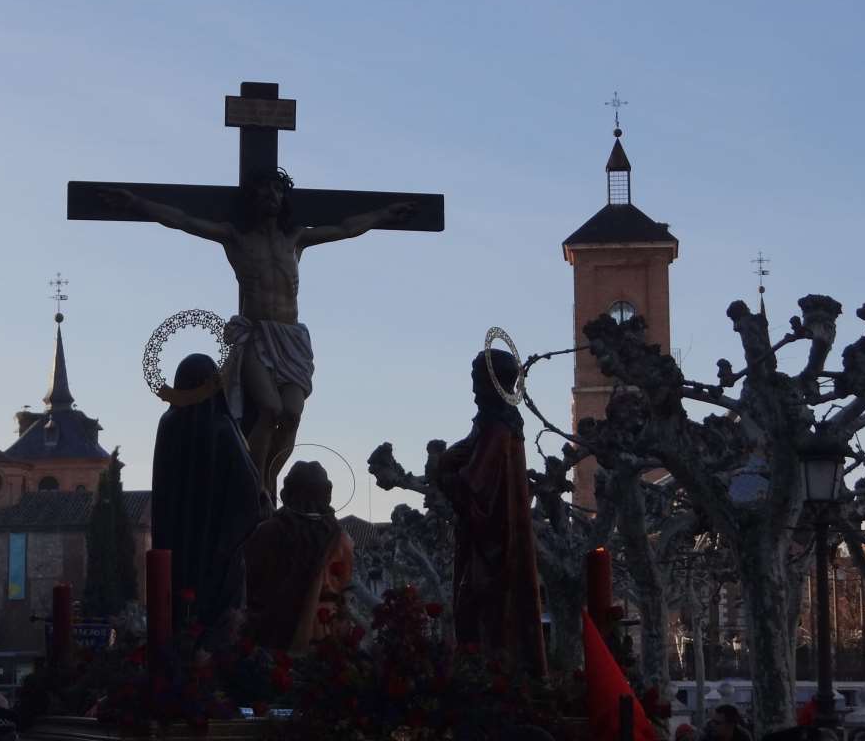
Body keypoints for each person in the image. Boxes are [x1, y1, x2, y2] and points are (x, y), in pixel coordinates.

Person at [101, 170, 415, 499]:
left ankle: (271, 477)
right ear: (252, 199)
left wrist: (382, 214)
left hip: (291, 338)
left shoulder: (294, 239)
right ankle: (256, 483)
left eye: (277, 191)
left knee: (292, 414)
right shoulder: (235, 238)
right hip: (256, 335)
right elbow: (182, 220)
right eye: (264, 191)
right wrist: (137, 203)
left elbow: (347, 229)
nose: (272, 197)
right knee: (270, 409)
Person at [433, 350, 546, 674]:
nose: (472, 390)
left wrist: (445, 473)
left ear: (491, 383)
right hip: (492, 541)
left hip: (492, 548)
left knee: (482, 617)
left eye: (476, 382)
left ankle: (491, 680)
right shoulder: (494, 426)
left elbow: (474, 486)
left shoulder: (497, 429)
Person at [151, 352, 266, 649]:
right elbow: (249, 497)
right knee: (220, 631)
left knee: (183, 620)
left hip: (177, 552)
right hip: (219, 556)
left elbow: (163, 496)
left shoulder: (168, 426)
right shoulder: (224, 429)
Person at [243, 459, 353, 653]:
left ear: (287, 493)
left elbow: (249, 584)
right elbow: (344, 589)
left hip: (273, 633)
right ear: (327, 494)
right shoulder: (342, 539)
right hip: (323, 631)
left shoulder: (267, 531)